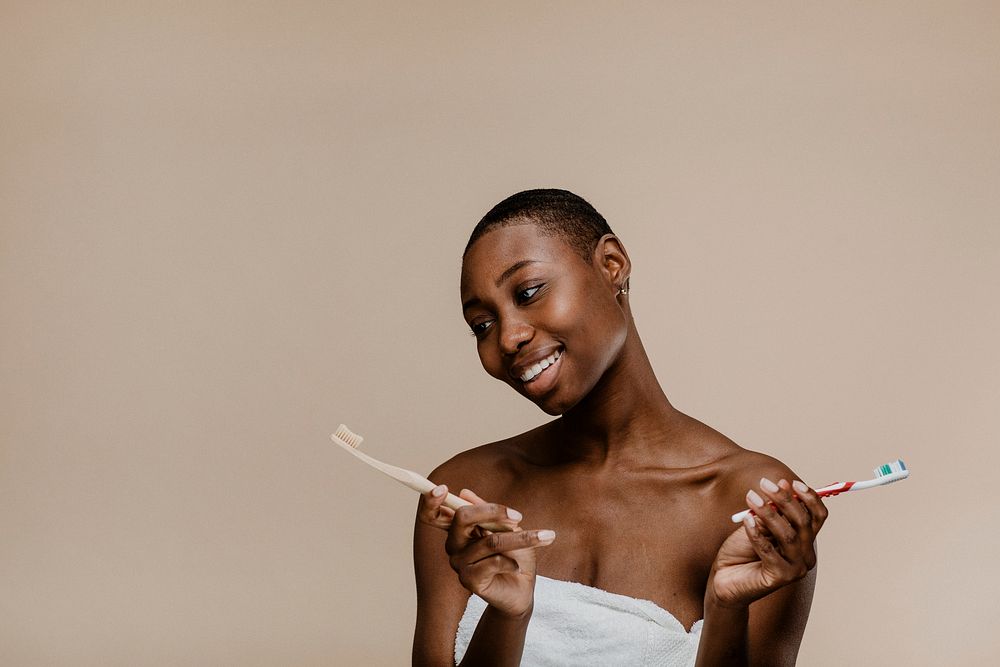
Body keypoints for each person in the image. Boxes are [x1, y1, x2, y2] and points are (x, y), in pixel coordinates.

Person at [412, 189, 827, 666]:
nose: (508, 337)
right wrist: (505, 618)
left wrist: (725, 610)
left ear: (611, 265)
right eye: (482, 325)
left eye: (527, 293)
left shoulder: (747, 501)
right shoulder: (467, 497)